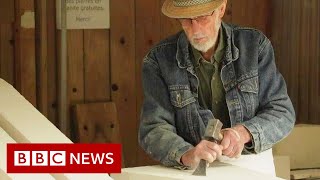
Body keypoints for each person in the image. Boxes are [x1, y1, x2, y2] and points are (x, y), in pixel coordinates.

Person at [138, 0, 295, 171]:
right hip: (193, 168)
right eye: (187, 19)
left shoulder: (254, 46)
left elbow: (282, 112)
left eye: (202, 17)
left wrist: (242, 133)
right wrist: (187, 154)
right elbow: (153, 128)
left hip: (252, 165)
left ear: (221, 9)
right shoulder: (158, 61)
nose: (195, 29)